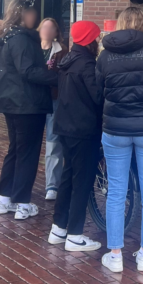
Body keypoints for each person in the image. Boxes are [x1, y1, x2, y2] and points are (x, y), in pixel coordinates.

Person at [96, 6, 143, 273]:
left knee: (117, 191)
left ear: (120, 24)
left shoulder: (105, 56)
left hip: (115, 128)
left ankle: (115, 254)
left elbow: (99, 90)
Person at [0, 0, 58, 221]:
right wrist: (59, 77)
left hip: (11, 101)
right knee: (27, 152)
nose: (35, 18)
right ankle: (22, 203)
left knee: (16, 150)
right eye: (32, 13)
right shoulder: (21, 38)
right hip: (26, 102)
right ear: (22, 14)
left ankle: (4, 198)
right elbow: (28, 70)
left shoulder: (6, 36)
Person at [48, 21, 103, 252]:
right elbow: (98, 97)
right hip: (83, 130)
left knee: (67, 179)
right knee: (82, 182)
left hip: (65, 128)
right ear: (90, 40)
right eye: (96, 38)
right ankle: (75, 235)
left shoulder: (68, 61)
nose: (99, 41)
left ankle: (59, 229)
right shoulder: (87, 64)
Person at [38, 17, 67, 202]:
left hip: (54, 100)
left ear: (56, 32)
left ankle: (52, 184)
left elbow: (62, 76)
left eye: (51, 28)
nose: (47, 30)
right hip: (33, 100)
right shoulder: (31, 48)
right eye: (44, 27)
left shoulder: (62, 51)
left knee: (53, 143)